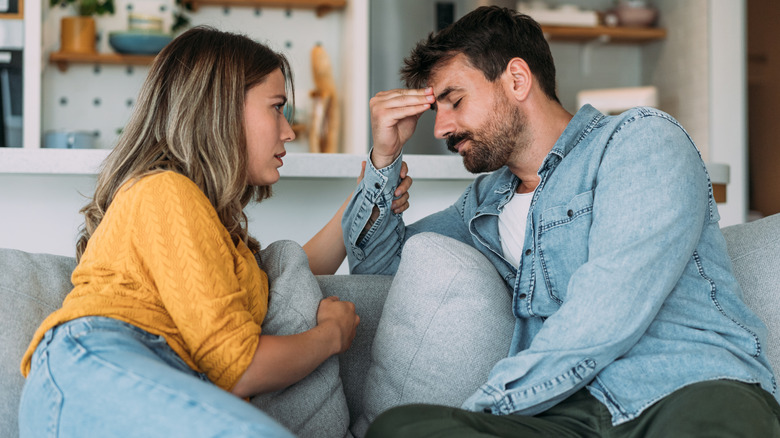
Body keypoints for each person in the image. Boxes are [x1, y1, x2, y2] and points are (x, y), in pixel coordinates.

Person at [341, 6, 780, 437]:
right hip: (570, 412)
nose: (440, 128)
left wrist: (490, 409)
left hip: (684, 388)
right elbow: (382, 272)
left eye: (454, 101)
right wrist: (384, 159)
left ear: (517, 79)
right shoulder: (482, 203)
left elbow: (607, 307)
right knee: (400, 428)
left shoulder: (640, 140)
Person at [18, 26, 412, 437]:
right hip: (99, 364)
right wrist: (331, 335)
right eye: (276, 107)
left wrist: (377, 179)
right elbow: (239, 368)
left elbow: (294, 269)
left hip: (137, 375)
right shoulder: (163, 190)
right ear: (220, 109)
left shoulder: (215, 233)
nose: (288, 131)